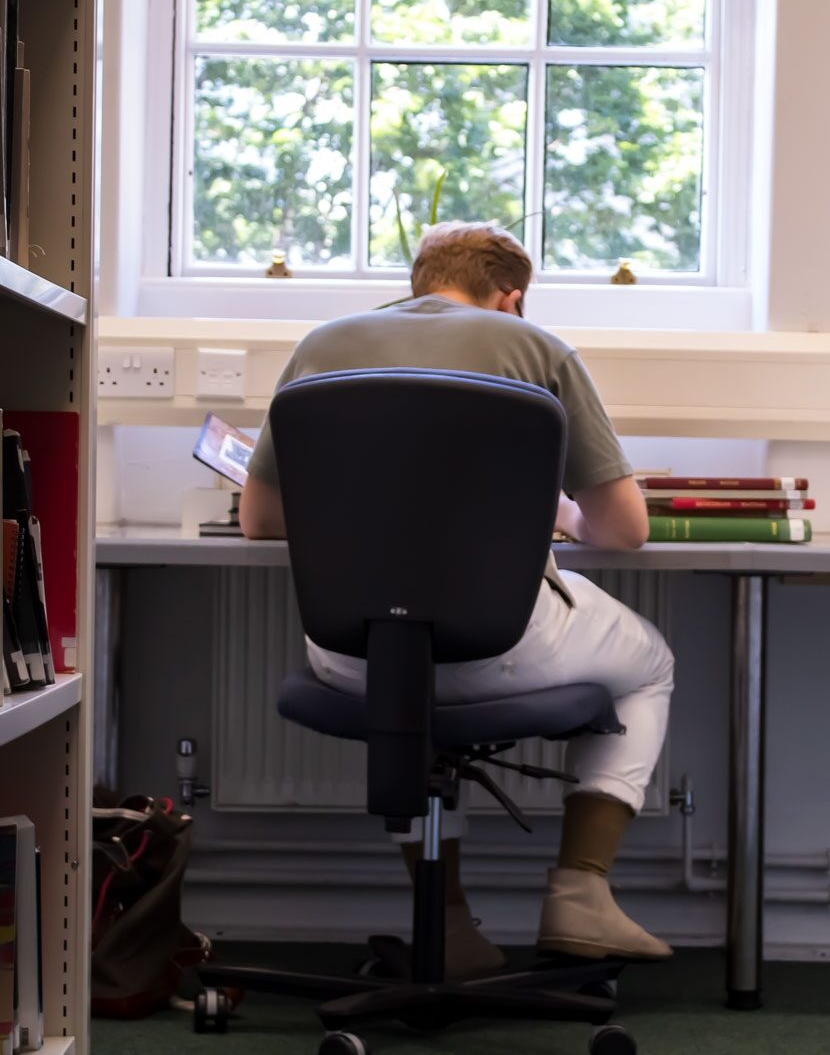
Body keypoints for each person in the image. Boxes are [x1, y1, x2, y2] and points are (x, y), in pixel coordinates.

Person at [239, 221, 676, 977]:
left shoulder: (323, 347)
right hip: (502, 648)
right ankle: (580, 889)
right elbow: (623, 528)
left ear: (419, 282)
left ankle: (447, 924)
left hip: (356, 654)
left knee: (406, 685)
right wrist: (563, 513)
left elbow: (260, 517)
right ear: (512, 299)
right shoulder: (535, 350)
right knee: (650, 663)